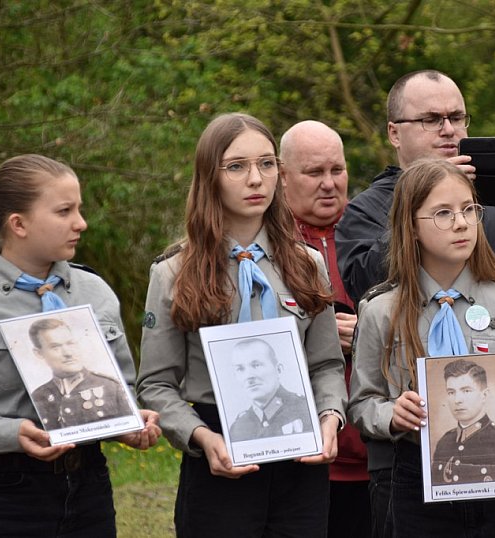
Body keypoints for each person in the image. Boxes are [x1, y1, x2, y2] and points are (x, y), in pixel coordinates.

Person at [336, 68, 495, 537]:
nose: (448, 129)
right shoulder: (366, 210)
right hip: (408, 469)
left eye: (457, 117)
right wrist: (416, 204)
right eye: (431, 119)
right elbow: (366, 286)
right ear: (394, 132)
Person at [137, 113, 347, 538]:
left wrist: (330, 418)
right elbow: (156, 384)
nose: (256, 179)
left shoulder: (307, 264)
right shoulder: (175, 272)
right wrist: (200, 437)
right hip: (219, 459)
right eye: (237, 166)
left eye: (267, 164)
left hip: (299, 460)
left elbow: (325, 364)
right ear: (209, 177)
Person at [348, 159, 495, 536]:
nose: (461, 222)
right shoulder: (380, 311)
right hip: (416, 480)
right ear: (411, 226)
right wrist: (392, 414)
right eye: (443, 213)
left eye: (469, 209)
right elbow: (362, 402)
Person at [0, 154, 160, 537]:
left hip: (88, 486)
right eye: (64, 211)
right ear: (19, 224)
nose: (81, 223)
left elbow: (120, 384)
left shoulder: (94, 291)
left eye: (79, 208)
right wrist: (8, 433)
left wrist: (127, 421)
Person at [279, 120, 369, 538]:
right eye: (314, 173)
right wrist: (315, 331)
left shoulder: (372, 234)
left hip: (377, 453)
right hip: (298, 454)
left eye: (338, 170)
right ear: (282, 176)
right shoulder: (265, 243)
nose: (330, 184)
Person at [29, 317, 135, 429]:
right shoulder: (38, 396)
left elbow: (129, 426)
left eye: (70, 343)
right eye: (55, 347)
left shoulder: (112, 387)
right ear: (39, 353)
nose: (68, 353)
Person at [430, 358, 495, 485]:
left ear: (484, 395)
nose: (457, 400)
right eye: (451, 392)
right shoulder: (444, 443)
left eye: (466, 391)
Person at [228, 337, 313, 441]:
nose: (248, 376)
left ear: (278, 369)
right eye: (240, 369)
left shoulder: (306, 409)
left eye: (256, 365)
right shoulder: (238, 428)